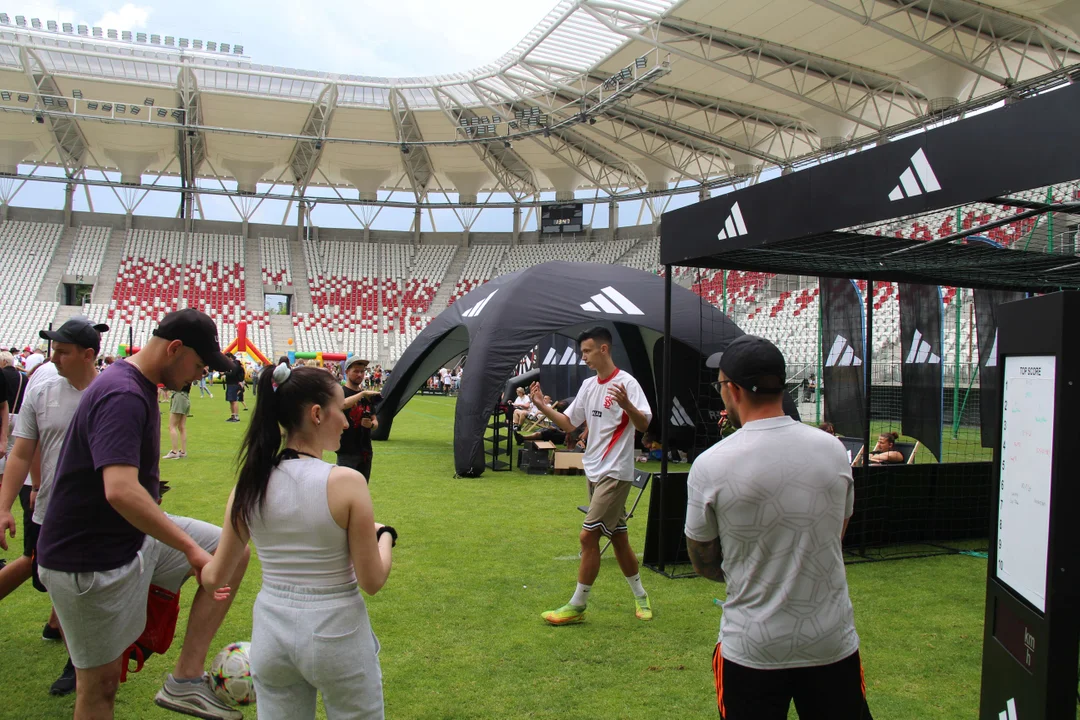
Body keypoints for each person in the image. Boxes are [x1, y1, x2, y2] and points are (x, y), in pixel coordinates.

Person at [34, 309, 249, 720]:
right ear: (173, 349)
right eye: (199, 366)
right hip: (88, 562)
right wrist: (189, 549)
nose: (200, 376)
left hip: (124, 541)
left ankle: (185, 680)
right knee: (99, 690)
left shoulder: (136, 384)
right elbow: (119, 490)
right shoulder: (125, 393)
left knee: (230, 549)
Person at [684, 335, 871, 720]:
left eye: (720, 385)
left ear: (733, 389)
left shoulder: (711, 464)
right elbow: (836, 534)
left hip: (752, 646)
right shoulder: (833, 450)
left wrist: (750, 571)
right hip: (828, 640)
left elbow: (702, 560)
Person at [199, 361, 395, 719]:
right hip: (337, 631)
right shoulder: (346, 482)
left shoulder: (250, 484)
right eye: (341, 410)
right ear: (318, 414)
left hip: (271, 634)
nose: (347, 421)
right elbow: (372, 580)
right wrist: (386, 536)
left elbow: (213, 577)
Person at [0, 316, 108, 695]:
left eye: (62, 351)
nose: (54, 358)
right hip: (50, 507)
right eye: (53, 350)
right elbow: (21, 451)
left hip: (96, 514)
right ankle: (63, 636)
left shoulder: (112, 392)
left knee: (85, 588)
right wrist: (4, 507)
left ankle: (77, 665)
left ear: (88, 355)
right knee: (49, 576)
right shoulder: (41, 387)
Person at [530, 326, 654, 625]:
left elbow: (643, 425)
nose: (583, 357)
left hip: (615, 473)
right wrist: (542, 407)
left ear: (604, 349)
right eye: (581, 352)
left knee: (588, 536)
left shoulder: (627, 383)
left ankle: (577, 605)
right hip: (594, 470)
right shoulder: (588, 386)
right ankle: (641, 597)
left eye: (587, 351)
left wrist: (626, 405)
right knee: (620, 539)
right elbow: (569, 424)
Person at [338, 356, 380, 483]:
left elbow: (375, 421)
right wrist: (361, 394)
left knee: (361, 490)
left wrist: (371, 425)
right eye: (356, 371)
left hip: (365, 451)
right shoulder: (341, 392)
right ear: (346, 372)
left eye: (362, 371)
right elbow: (340, 404)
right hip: (346, 450)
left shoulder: (366, 395)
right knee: (344, 491)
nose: (360, 374)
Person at [164, 384, 192, 459]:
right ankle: (183, 451)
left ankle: (174, 451)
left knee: (172, 426)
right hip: (185, 397)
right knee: (181, 426)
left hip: (179, 396)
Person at [223, 353, 245, 422]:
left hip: (233, 384)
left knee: (234, 400)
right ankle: (233, 415)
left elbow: (233, 374)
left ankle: (236, 416)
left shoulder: (234, 364)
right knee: (231, 400)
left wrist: (224, 373)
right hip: (230, 384)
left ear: (230, 357)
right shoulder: (233, 364)